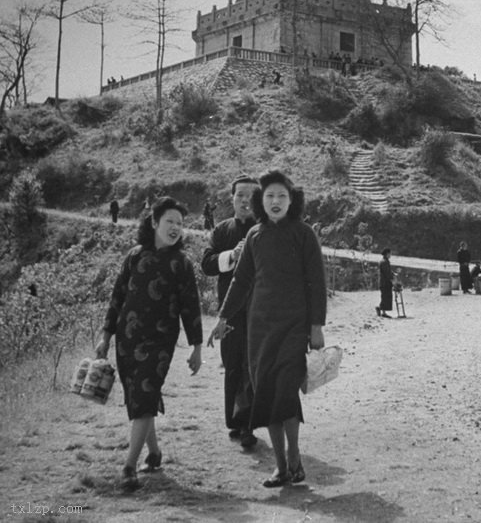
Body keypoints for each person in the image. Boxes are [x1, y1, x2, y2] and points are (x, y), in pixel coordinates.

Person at [207, 170, 326, 488]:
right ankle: (282, 467)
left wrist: (316, 327)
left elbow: (317, 283)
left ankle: (295, 457)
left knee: (285, 392)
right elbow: (241, 281)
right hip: (258, 331)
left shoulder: (304, 235)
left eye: (282, 196)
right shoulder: (255, 237)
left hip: (293, 329)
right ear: (262, 201)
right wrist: (222, 318)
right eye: (270, 195)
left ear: (292, 200)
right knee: (265, 394)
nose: (275, 201)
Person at [96, 197, 202, 490]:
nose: (175, 228)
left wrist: (196, 347)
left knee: (144, 395)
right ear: (154, 223)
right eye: (170, 221)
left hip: (160, 341)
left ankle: (129, 467)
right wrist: (105, 335)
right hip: (126, 339)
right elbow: (117, 297)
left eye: (180, 224)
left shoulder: (181, 263)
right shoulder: (134, 256)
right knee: (139, 398)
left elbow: (190, 306)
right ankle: (154, 454)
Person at [201, 175, 258, 447]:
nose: (245, 200)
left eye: (251, 195)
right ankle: (235, 421)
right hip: (229, 309)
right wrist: (232, 256)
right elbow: (207, 264)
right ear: (232, 199)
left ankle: (248, 423)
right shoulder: (222, 230)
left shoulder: (266, 229)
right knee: (233, 364)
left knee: (252, 365)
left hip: (259, 310)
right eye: (240, 195)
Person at [376, 247, 394, 317]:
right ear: (387, 254)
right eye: (390, 253)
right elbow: (387, 273)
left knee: (385, 297)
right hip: (385, 283)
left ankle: (382, 310)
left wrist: (392, 273)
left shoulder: (384, 261)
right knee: (385, 297)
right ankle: (382, 310)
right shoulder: (384, 262)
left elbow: (388, 272)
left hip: (384, 282)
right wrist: (392, 278)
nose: (391, 255)